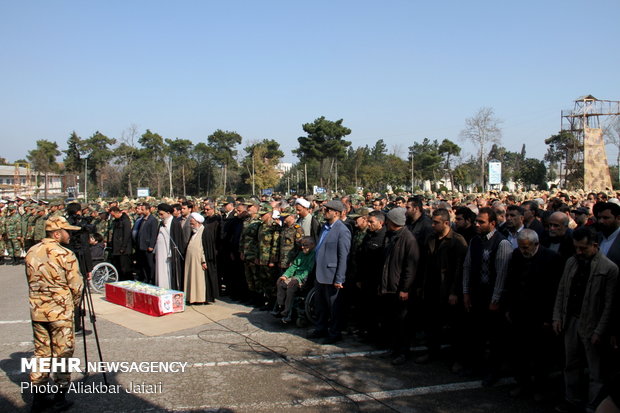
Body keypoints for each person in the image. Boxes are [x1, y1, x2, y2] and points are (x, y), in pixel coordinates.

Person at [553, 227, 618, 413]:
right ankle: (572, 399)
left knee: (595, 369)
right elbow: (562, 290)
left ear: (595, 246)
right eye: (576, 248)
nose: (579, 252)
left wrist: (600, 330)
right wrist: (557, 316)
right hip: (571, 319)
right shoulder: (571, 262)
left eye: (583, 248)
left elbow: (609, 305)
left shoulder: (609, 269)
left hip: (593, 322)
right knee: (571, 363)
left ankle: (593, 404)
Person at [25, 216, 84, 413]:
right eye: (67, 231)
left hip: (38, 311)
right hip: (60, 312)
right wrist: (74, 306)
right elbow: (76, 286)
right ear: (57, 234)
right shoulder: (65, 254)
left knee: (41, 354)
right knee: (63, 353)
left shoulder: (31, 252)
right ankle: (59, 397)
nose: (70, 234)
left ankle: (38, 398)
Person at [504, 229, 563, 400]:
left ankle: (540, 388)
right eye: (522, 247)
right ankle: (522, 384)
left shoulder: (552, 258)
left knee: (540, 355)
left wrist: (549, 318)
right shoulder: (517, 255)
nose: (524, 251)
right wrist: (509, 308)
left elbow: (554, 291)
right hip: (519, 313)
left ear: (536, 244)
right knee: (519, 352)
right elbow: (512, 282)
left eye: (527, 247)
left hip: (540, 316)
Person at [462, 207, 512, 386]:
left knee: (494, 337)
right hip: (477, 294)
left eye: (481, 222)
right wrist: (466, 292)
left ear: (492, 223)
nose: (477, 224)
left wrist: (495, 300)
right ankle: (476, 366)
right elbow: (467, 267)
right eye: (476, 221)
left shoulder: (502, 243)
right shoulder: (475, 241)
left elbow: (502, 275)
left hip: (491, 296)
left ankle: (493, 371)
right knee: (476, 333)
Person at [418, 208, 468, 368]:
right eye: (432, 221)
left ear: (446, 223)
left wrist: (454, 292)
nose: (433, 225)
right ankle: (432, 352)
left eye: (436, 222)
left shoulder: (457, 241)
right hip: (432, 287)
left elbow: (460, 269)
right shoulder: (431, 238)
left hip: (448, 289)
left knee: (454, 327)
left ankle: (457, 359)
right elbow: (424, 263)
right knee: (432, 323)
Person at [379, 207, 419, 365]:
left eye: (388, 220)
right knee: (392, 321)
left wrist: (405, 289)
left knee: (402, 323)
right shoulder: (393, 236)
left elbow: (411, 268)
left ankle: (403, 352)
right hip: (389, 287)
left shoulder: (408, 239)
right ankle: (394, 349)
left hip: (400, 289)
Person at [309, 199, 351, 344]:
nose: (324, 212)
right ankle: (320, 329)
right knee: (320, 306)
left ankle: (334, 333)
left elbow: (343, 256)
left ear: (337, 213)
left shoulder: (343, 230)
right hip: (320, 274)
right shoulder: (325, 227)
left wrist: (339, 278)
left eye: (327, 210)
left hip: (332, 275)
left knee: (334, 308)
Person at [273, 236, 316, 323]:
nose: (303, 247)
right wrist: (285, 276)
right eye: (302, 245)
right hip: (295, 277)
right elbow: (294, 266)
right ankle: (280, 306)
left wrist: (298, 279)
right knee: (281, 283)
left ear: (312, 245)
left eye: (305, 245)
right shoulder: (301, 254)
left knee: (291, 287)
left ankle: (287, 311)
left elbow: (309, 270)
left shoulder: (314, 256)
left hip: (305, 279)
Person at [154, 203, 185, 291]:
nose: (160, 216)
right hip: (160, 253)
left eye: (162, 214)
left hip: (169, 253)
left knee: (168, 273)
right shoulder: (161, 223)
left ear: (168, 213)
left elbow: (178, 240)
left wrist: (172, 253)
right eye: (159, 214)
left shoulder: (175, 223)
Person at [184, 213, 208, 304]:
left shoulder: (203, 231)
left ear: (198, 222)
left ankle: (198, 298)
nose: (191, 226)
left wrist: (203, 260)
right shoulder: (194, 232)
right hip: (191, 260)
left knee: (197, 279)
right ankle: (191, 297)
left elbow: (204, 248)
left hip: (198, 260)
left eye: (193, 224)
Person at [135, 203, 158, 284]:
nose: (141, 211)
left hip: (148, 246)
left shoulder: (153, 220)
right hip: (141, 246)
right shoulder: (142, 219)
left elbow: (153, 234)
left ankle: (151, 279)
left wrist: (151, 245)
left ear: (148, 210)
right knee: (143, 264)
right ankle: (145, 278)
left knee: (150, 264)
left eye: (143, 209)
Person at [109, 206, 133, 280]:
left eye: (113, 215)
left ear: (117, 212)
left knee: (125, 268)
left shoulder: (125, 221)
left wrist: (123, 247)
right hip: (117, 248)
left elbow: (127, 235)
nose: (113, 217)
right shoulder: (116, 221)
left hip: (124, 249)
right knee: (118, 267)